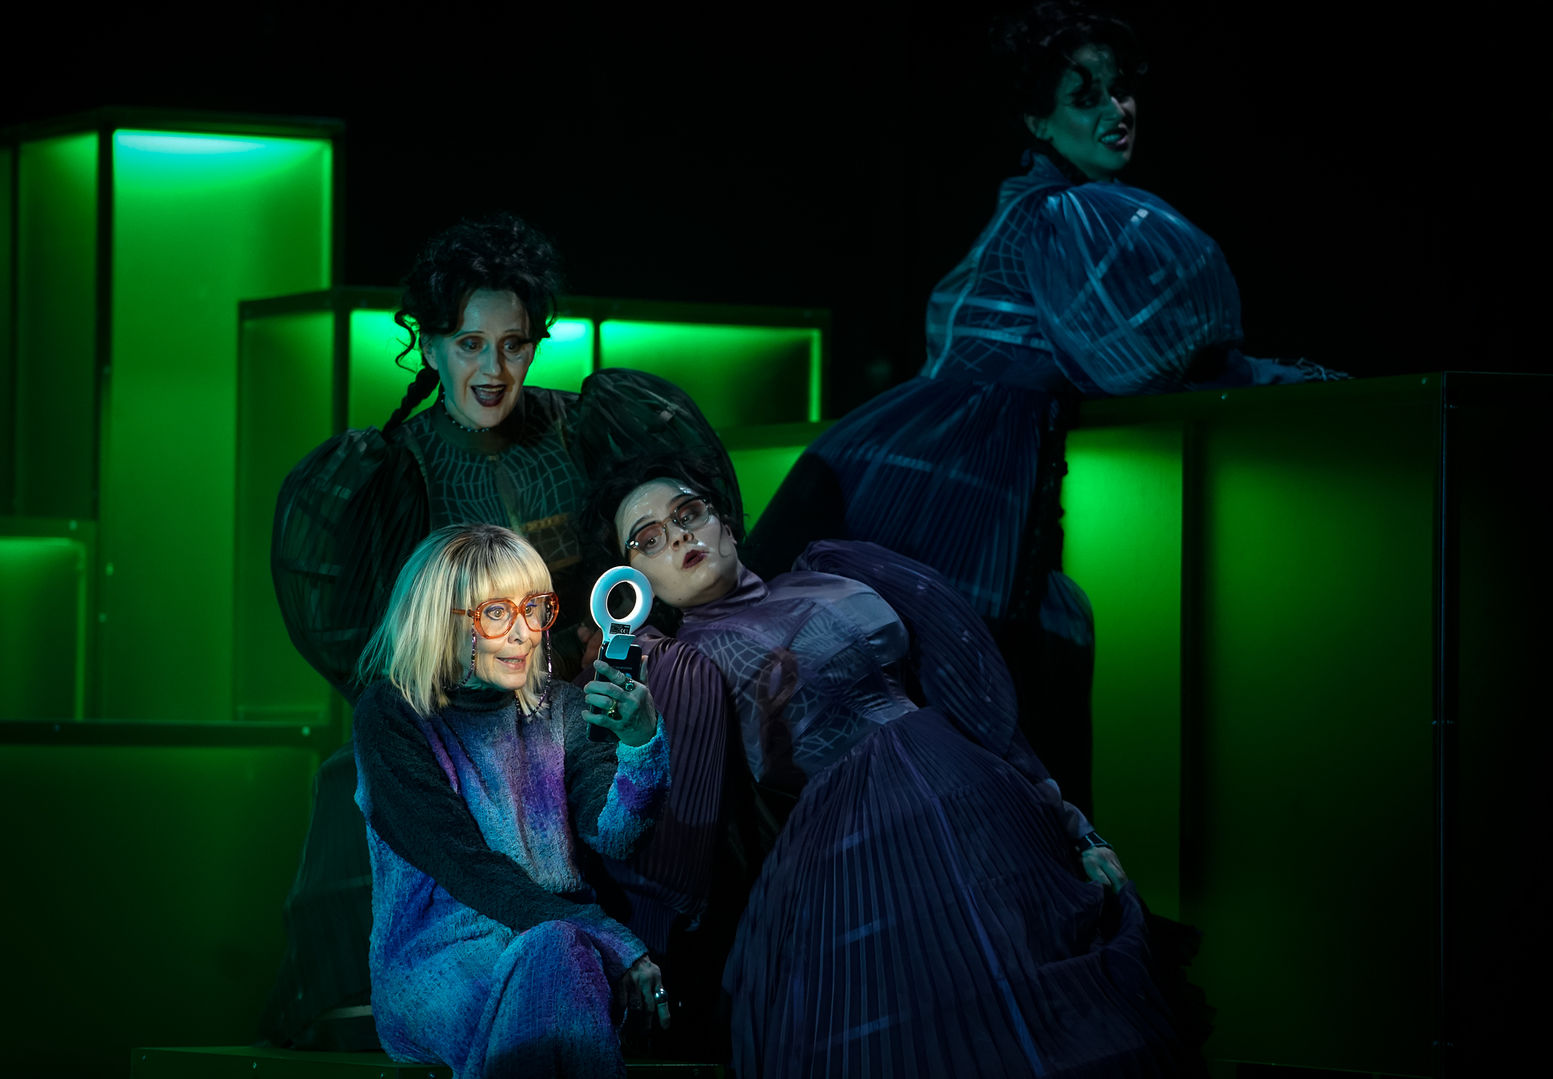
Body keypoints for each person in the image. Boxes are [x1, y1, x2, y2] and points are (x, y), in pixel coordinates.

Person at [742, 1, 1345, 814]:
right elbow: (1137, 361)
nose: (1116, 110)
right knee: (977, 724)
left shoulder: (1046, 207)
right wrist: (1265, 377)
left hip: (946, 468)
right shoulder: (1063, 214)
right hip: (953, 484)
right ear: (1037, 118)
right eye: (1084, 95)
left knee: (970, 719)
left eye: (1121, 89)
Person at [261, 213, 738, 1049]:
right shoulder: (396, 469)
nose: (492, 369)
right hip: (459, 716)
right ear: (429, 343)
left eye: (513, 345)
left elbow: (648, 541)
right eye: (470, 344)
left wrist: (607, 645)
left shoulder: (586, 425)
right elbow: (386, 641)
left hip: (575, 696)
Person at [583, 454, 1194, 1078]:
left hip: (985, 811)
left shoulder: (839, 572)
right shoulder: (675, 667)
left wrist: (1075, 827)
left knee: (1057, 1011)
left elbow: (977, 713)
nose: (678, 536)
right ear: (635, 579)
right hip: (857, 853)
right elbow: (668, 828)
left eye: (689, 513)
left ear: (725, 522)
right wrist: (636, 947)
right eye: (649, 539)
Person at [351, 522, 671, 1079]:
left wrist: (640, 743)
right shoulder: (393, 715)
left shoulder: (560, 708)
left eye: (534, 608)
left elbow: (616, 834)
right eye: (496, 613)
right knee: (555, 951)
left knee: (554, 951)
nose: (524, 633)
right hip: (441, 959)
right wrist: (613, 940)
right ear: (440, 621)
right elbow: (464, 864)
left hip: (564, 946)